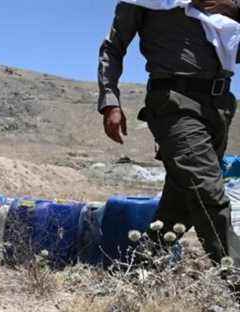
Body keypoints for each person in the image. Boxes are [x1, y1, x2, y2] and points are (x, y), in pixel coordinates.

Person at [98, 0, 240, 265]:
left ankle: (142, 273)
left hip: (219, 106)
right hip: (175, 104)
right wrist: (110, 100)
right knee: (208, 193)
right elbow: (113, 46)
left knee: (180, 207)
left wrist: (230, 6)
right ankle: (236, 281)